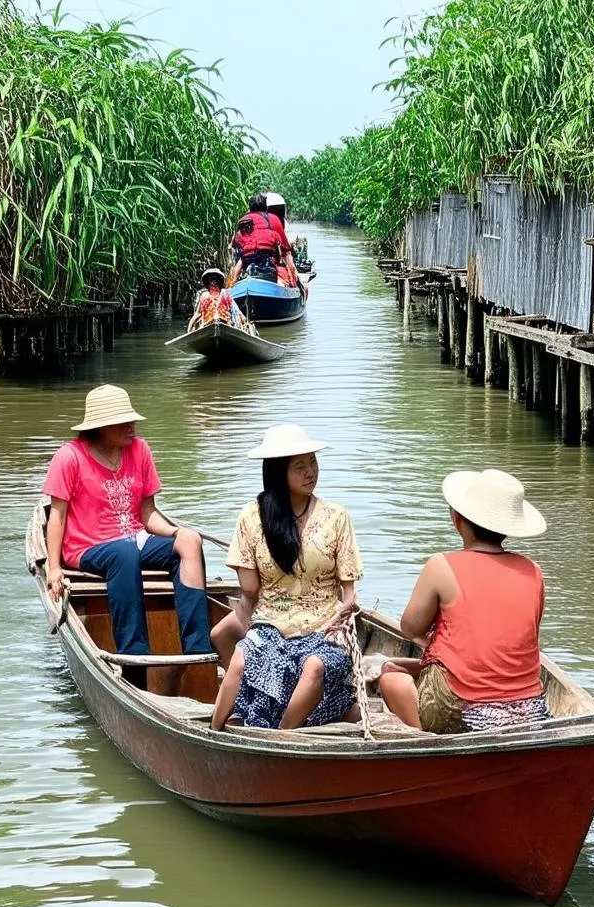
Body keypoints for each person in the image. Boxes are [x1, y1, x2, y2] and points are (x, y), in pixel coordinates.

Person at [43, 384, 211, 688]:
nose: (132, 426)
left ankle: (197, 647)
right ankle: (133, 657)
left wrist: (179, 532)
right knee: (124, 552)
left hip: (134, 541)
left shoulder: (140, 450)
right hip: (87, 548)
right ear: (100, 427)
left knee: (190, 542)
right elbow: (57, 516)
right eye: (123, 422)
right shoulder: (69, 457)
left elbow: (147, 513)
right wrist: (54, 568)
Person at [210, 424, 363, 731]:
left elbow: (349, 591)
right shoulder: (252, 518)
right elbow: (250, 590)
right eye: (300, 467)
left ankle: (282, 736)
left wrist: (344, 615)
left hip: (325, 626)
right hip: (271, 626)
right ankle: (213, 732)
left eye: (313, 463)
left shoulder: (336, 517)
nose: (311, 472)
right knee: (241, 659)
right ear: (279, 472)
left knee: (315, 667)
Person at [378, 469, 550, 734]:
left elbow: (410, 628)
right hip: (530, 708)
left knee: (390, 674)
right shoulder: (533, 571)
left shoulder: (441, 565)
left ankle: (427, 741)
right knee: (409, 668)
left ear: (457, 519)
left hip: (461, 708)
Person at [227, 192, 302, 291]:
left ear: (250, 207)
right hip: (268, 259)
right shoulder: (274, 219)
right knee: (287, 254)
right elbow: (286, 250)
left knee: (241, 259)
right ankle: (294, 283)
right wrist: (294, 279)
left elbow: (234, 244)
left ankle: (229, 287)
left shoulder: (244, 220)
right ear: (265, 207)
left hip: (247, 259)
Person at [187, 267, 249, 332]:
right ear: (208, 282)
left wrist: (245, 324)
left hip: (225, 323)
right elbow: (197, 315)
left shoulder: (225, 294)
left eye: (215, 279)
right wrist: (190, 331)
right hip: (207, 324)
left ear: (219, 281)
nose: (213, 282)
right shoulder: (204, 296)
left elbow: (236, 311)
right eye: (211, 279)